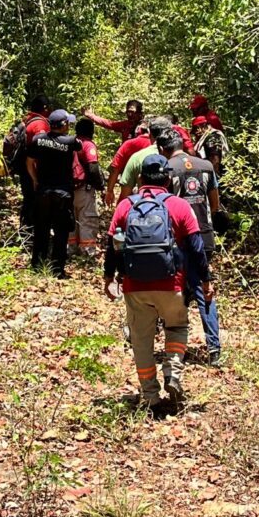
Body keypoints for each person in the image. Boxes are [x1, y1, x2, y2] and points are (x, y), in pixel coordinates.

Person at [104, 154, 213, 407]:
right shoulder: (179, 206)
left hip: (134, 286)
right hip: (172, 284)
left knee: (141, 340)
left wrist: (109, 278)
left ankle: (151, 397)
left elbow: (112, 246)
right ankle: (172, 371)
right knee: (177, 326)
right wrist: (206, 281)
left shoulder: (125, 206)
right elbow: (197, 248)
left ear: (141, 178)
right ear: (167, 179)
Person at [157, 128, 224, 366]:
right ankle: (214, 349)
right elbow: (215, 204)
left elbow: (164, 206)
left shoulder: (167, 169)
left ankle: (177, 347)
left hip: (178, 239)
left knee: (176, 292)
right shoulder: (206, 166)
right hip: (204, 237)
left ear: (162, 149)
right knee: (204, 290)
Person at [27, 109, 82, 278]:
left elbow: (29, 162)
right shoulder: (71, 141)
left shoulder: (38, 140)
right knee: (61, 232)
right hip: (62, 193)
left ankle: (37, 265)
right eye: (68, 123)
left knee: (41, 229)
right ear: (63, 124)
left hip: (43, 191)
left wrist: (35, 180)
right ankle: (57, 270)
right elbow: (80, 148)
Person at [16, 95, 52, 237]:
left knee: (29, 199)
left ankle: (26, 232)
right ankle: (32, 235)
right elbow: (41, 147)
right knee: (35, 202)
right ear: (45, 108)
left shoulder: (28, 119)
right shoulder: (40, 124)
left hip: (25, 167)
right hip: (33, 170)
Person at [69, 117, 104, 258]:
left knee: (71, 217)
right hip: (84, 188)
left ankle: (70, 247)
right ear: (91, 131)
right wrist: (100, 185)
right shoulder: (88, 145)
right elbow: (93, 167)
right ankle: (87, 251)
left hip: (68, 187)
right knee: (87, 218)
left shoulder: (70, 142)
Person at [117, 117, 173, 201]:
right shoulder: (177, 157)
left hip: (143, 206)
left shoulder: (137, 157)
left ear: (149, 134)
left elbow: (125, 194)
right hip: (174, 207)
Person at [103, 123, 151, 207]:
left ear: (138, 131)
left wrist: (109, 191)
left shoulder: (128, 144)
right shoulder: (158, 145)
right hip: (152, 191)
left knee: (125, 207)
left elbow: (115, 169)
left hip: (129, 186)